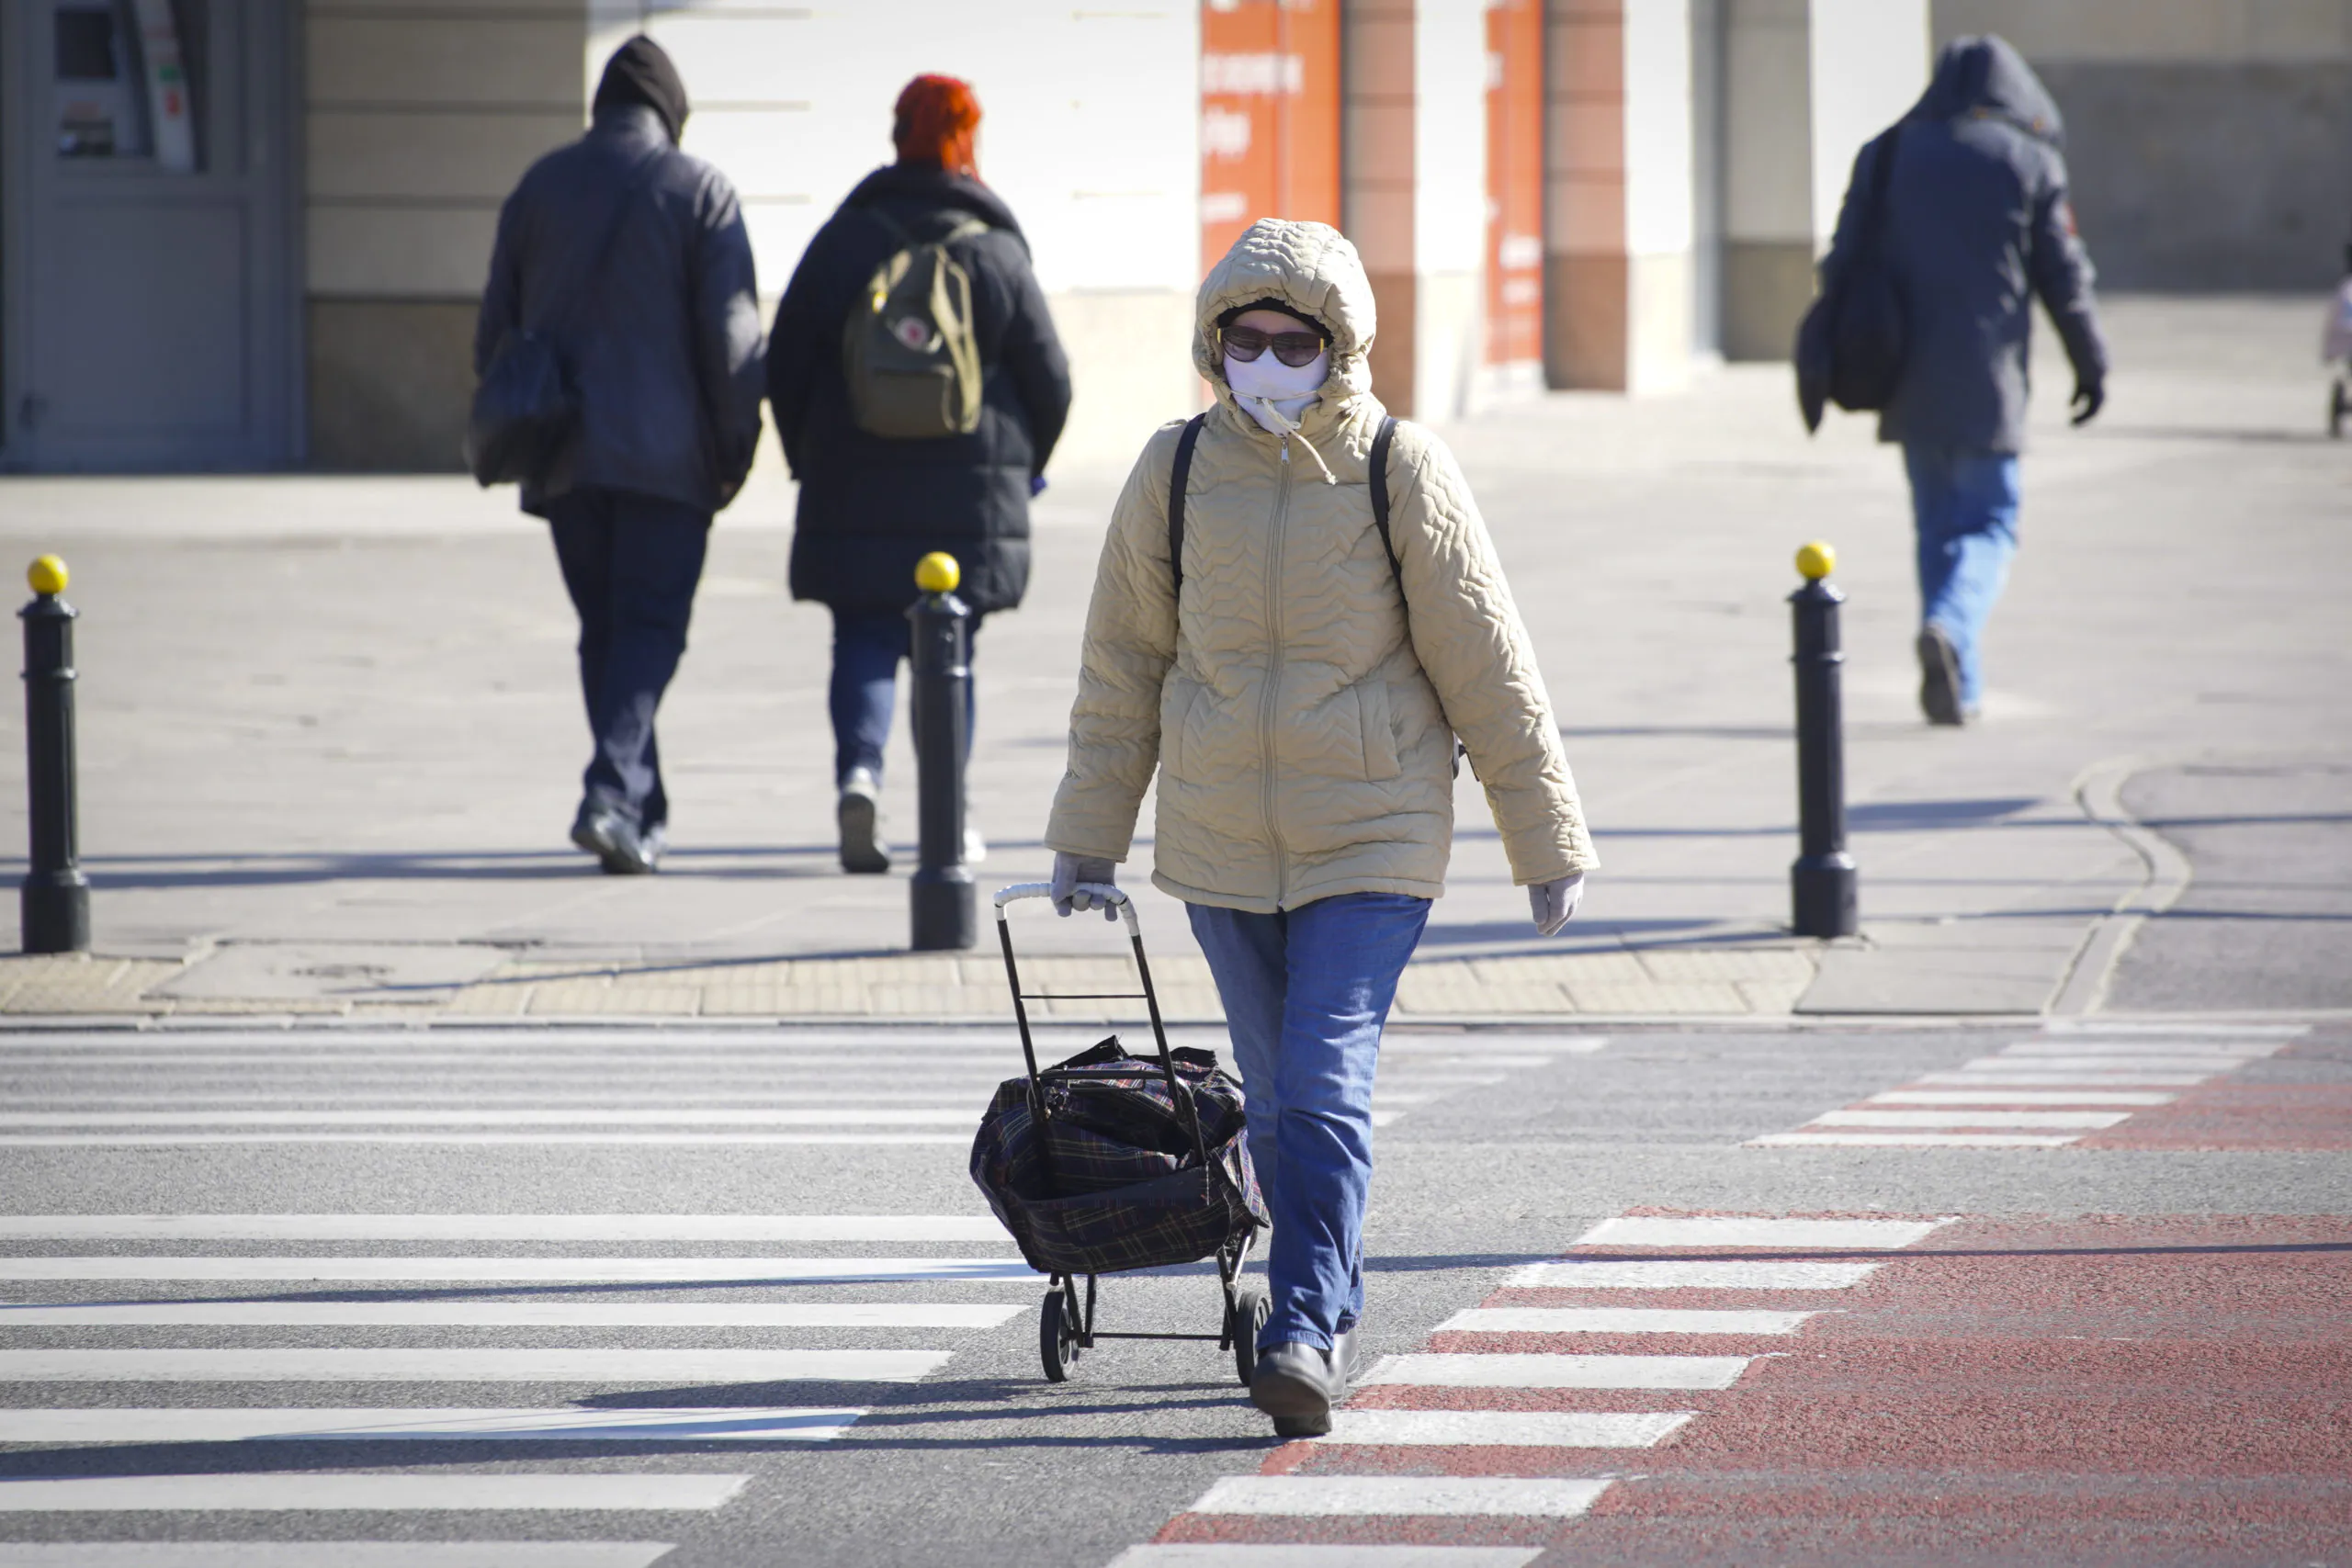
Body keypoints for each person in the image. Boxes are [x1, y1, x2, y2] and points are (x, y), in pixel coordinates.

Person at [1042, 219, 1596, 1438]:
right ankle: (1329, 1297)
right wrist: (1090, 829)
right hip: (1222, 840)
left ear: (1340, 348)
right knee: (1277, 1099)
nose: (1269, 362)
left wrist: (1544, 837)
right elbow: (1122, 661)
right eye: (1247, 340)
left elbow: (1487, 662)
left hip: (1372, 834)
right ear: (1215, 344)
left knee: (1324, 1081)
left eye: (1296, 344)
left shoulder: (1401, 466)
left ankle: (1300, 1330)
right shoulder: (1174, 469)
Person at [766, 74, 1071, 873]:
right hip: (968, 497)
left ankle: (859, 776)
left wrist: (806, 455)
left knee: (864, 635)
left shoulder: (844, 241)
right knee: (950, 640)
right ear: (968, 142)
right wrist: (1023, 469)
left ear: (897, 135)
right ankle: (950, 807)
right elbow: (1052, 380)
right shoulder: (996, 251)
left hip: (852, 481)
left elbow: (785, 360)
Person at [476, 36, 763, 873]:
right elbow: (734, 341)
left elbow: (493, 338)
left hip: (563, 458)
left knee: (606, 631)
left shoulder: (539, 186)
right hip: (669, 464)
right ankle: (608, 792)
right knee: (648, 628)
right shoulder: (701, 189)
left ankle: (637, 814)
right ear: (671, 112)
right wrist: (735, 448)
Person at [1816, 34, 2107, 727]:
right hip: (1988, 378)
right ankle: (1950, 630)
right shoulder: (2027, 158)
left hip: (1905, 375)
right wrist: (2089, 359)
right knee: (1990, 522)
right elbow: (2063, 276)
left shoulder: (1888, 151)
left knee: (1938, 527)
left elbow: (1840, 263)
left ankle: (1959, 681)